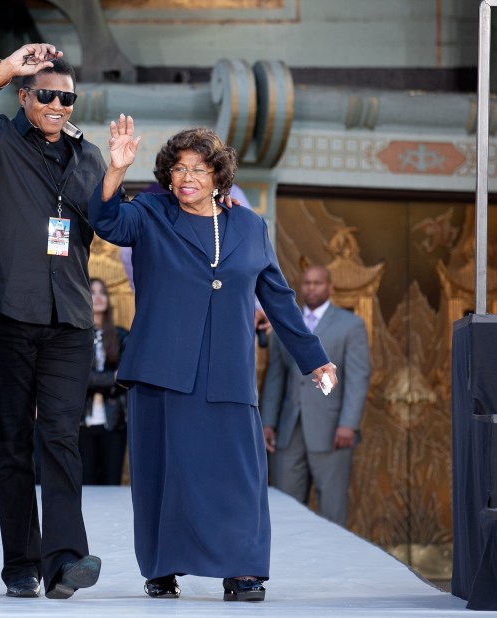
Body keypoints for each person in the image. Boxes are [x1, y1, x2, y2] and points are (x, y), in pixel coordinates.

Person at [88, 116, 337, 603]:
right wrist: (116, 169)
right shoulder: (151, 213)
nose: (188, 178)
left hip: (227, 369)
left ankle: (243, 569)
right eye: (179, 168)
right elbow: (106, 220)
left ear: (220, 177)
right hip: (161, 366)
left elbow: (279, 298)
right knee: (162, 473)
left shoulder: (249, 225)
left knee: (237, 473)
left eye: (200, 170)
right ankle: (162, 566)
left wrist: (315, 359)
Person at [0, 43, 105, 600]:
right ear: (24, 96)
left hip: (72, 320)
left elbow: (112, 221)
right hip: (7, 313)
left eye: (68, 97)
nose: (59, 105)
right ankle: (21, 563)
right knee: (11, 442)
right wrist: (8, 67)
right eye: (47, 95)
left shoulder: (90, 156)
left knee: (60, 437)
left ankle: (66, 561)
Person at [260, 265, 370, 526]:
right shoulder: (286, 322)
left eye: (317, 283)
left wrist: (348, 424)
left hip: (331, 431)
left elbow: (357, 378)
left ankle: (335, 564)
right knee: (285, 509)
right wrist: (268, 423)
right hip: (289, 431)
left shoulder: (350, 325)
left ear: (330, 287)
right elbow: (275, 378)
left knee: (332, 511)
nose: (311, 287)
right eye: (307, 283)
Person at [79, 278, 128, 485]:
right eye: (92, 292)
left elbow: (127, 376)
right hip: (81, 422)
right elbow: (75, 376)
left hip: (114, 420)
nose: (98, 297)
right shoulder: (75, 336)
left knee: (111, 482)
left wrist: (90, 379)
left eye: (102, 292)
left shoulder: (121, 335)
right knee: (86, 483)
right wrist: (111, 378)